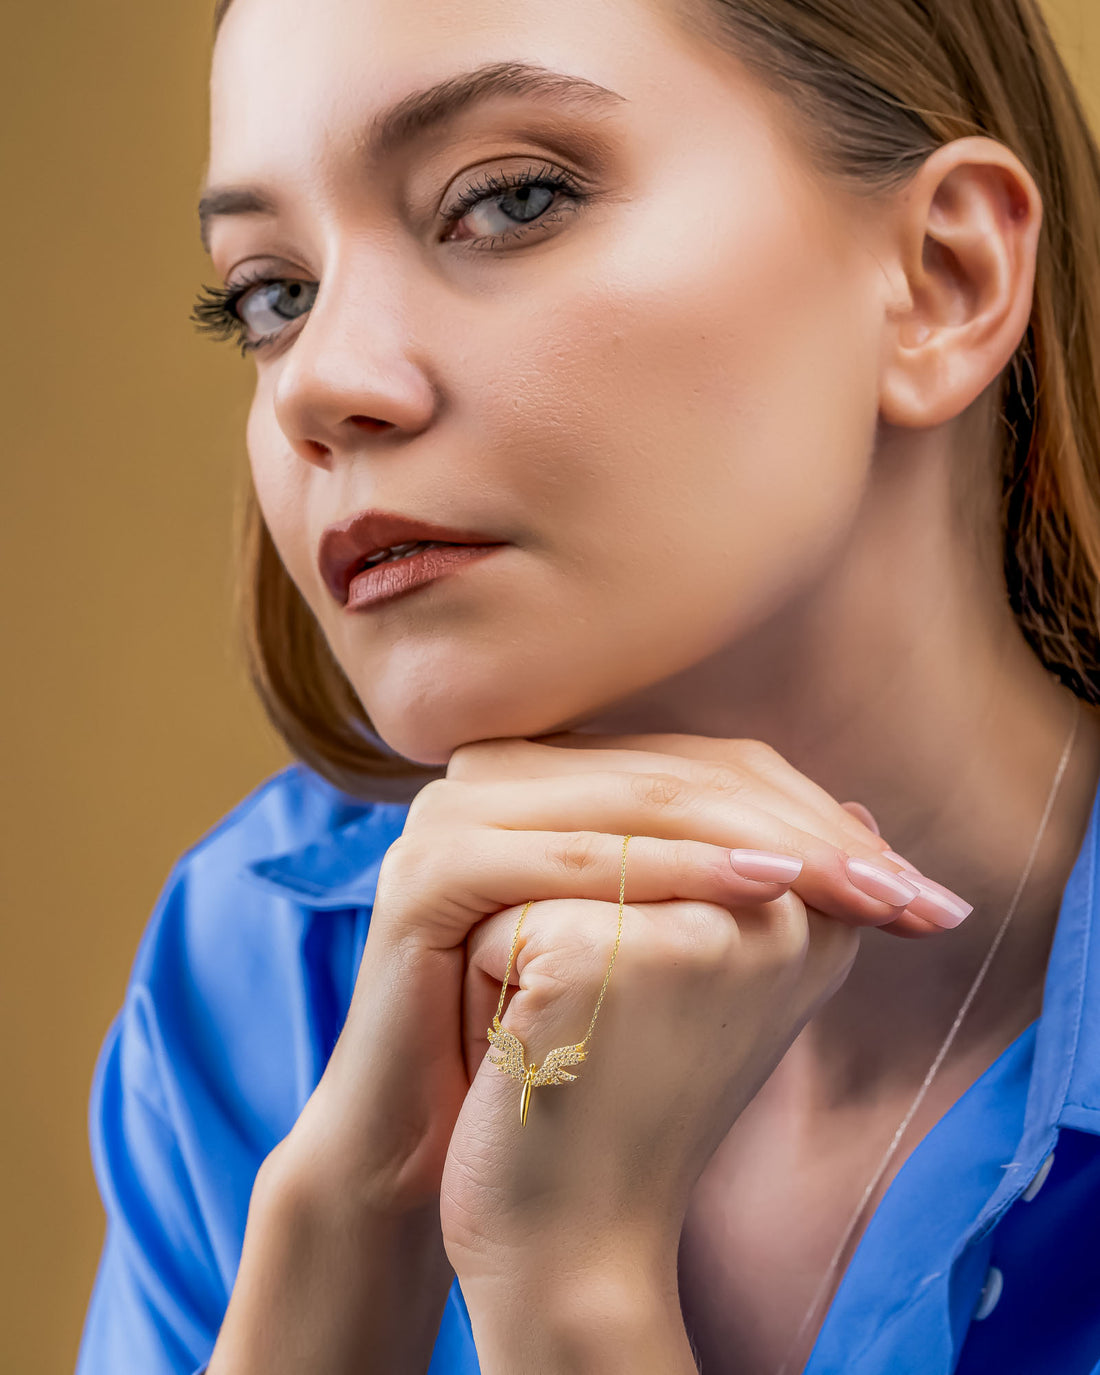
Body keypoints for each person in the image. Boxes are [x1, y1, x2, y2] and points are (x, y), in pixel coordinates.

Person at [76, 0, 1100, 1371]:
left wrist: (567, 1285)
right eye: (272, 293)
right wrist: (334, 1256)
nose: (319, 385)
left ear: (941, 279)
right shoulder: (261, 973)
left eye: (509, 200)